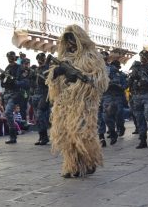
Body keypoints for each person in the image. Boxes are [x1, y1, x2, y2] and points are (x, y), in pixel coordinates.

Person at [46, 24, 109, 178]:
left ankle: (89, 161)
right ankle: (72, 165)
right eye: (68, 40)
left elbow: (100, 82)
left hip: (84, 104)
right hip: (64, 103)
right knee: (66, 135)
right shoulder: (63, 59)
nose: (71, 43)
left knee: (82, 133)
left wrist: (79, 80)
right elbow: (52, 83)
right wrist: (56, 74)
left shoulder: (92, 57)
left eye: (73, 39)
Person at [128, 50, 148, 149]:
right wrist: (132, 78)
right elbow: (129, 82)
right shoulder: (136, 68)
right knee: (139, 118)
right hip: (137, 96)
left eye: (145, 56)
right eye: (141, 56)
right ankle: (143, 140)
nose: (143, 58)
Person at [0, 51, 29, 144]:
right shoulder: (7, 68)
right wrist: (3, 79)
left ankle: (13, 135)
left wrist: (15, 82)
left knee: (8, 112)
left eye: (11, 56)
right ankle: (13, 136)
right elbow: (3, 84)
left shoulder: (19, 68)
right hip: (7, 94)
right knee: (8, 115)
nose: (10, 58)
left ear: (14, 57)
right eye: (8, 57)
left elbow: (25, 82)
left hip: (15, 94)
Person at [30, 52, 50, 145]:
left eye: (42, 58)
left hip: (44, 93)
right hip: (36, 94)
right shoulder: (36, 69)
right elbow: (31, 82)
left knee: (40, 115)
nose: (40, 60)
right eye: (39, 59)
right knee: (37, 117)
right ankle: (41, 136)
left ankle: (45, 137)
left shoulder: (48, 68)